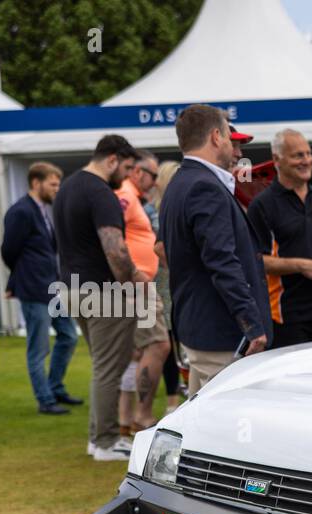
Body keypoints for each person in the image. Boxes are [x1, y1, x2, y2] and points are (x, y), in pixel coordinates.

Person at [160, 104, 271, 394]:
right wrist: (251, 323)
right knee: (227, 428)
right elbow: (221, 261)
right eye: (227, 135)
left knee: (198, 424)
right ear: (215, 136)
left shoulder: (181, 182)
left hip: (203, 330)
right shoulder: (203, 186)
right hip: (221, 334)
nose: (237, 150)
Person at [51, 134, 142, 461]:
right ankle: (104, 442)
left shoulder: (68, 187)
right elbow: (115, 250)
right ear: (112, 159)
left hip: (71, 288)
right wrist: (132, 285)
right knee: (110, 367)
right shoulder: (101, 192)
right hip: (102, 290)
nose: (129, 176)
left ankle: (97, 438)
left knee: (103, 365)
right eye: (128, 167)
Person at [248, 128, 312, 346]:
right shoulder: (262, 205)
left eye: (308, 154)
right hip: (289, 317)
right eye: (298, 155)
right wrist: (301, 266)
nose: (306, 160)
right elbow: (257, 260)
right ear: (277, 159)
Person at [1, 160, 81, 416]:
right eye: (53, 184)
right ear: (36, 183)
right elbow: (9, 251)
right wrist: (20, 279)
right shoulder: (21, 212)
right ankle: (45, 400)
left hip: (51, 287)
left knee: (68, 336)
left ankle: (55, 387)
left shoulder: (44, 210)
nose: (57, 189)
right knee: (38, 347)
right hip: (34, 289)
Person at [116, 150, 171, 433]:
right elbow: (111, 232)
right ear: (137, 172)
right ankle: (142, 416)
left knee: (135, 352)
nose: (154, 181)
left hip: (134, 283)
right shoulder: (125, 194)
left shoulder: (132, 195)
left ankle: (126, 419)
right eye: (152, 175)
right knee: (159, 345)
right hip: (136, 285)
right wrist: (133, 272)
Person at [153, 160, 186, 410]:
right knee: (167, 343)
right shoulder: (154, 212)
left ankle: (177, 396)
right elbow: (157, 247)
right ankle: (172, 399)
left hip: (171, 284)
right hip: (162, 284)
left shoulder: (172, 208)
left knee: (179, 342)